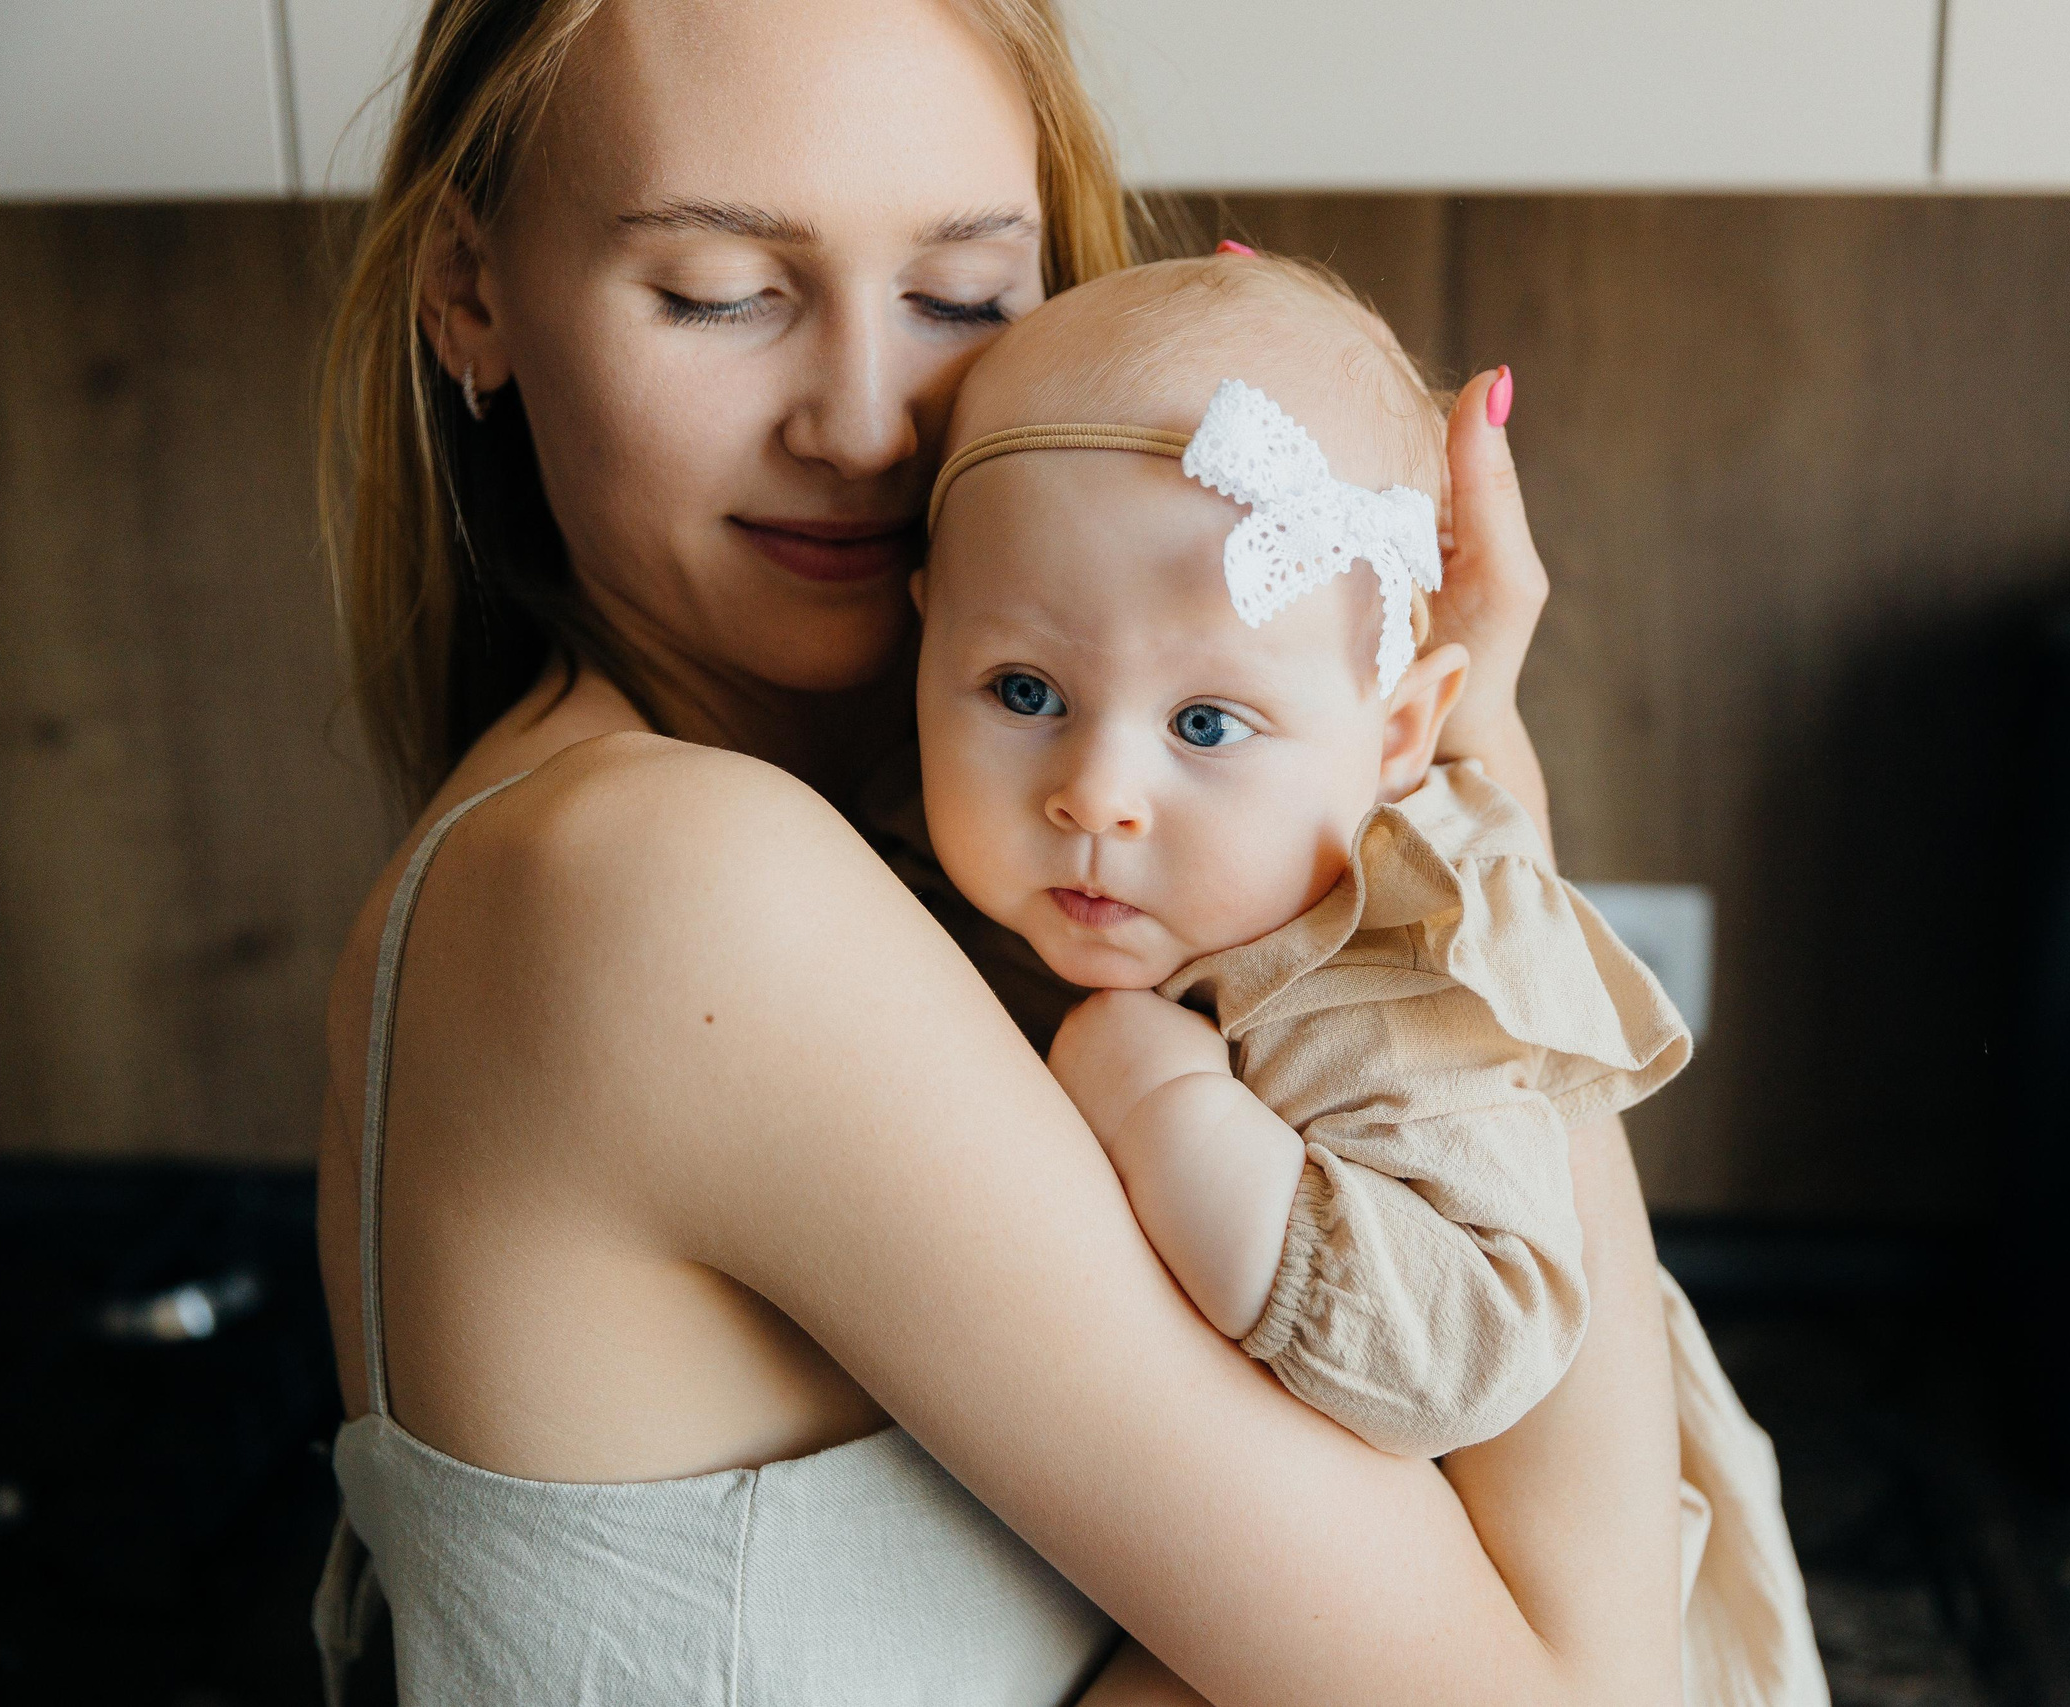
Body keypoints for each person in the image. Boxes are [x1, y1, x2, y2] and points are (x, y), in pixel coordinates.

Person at [311, 0, 1698, 1700]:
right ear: (471, 290)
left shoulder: (978, 860)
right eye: (722, 294)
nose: (871, 421)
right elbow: (1592, 1681)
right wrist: (1476, 803)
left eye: (964, 296)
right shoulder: (664, 887)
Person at [911, 252, 1829, 1703]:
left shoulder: (1396, 983)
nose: (1096, 792)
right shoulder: (1030, 907)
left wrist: (1173, 1120)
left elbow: (1469, 1345)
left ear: (1403, 734)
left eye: (1207, 722)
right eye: (1025, 693)